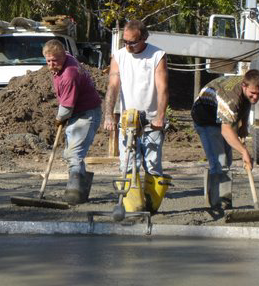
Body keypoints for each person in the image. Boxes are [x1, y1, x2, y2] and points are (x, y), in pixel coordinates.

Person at [104, 20, 171, 214]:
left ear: (143, 38)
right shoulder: (119, 56)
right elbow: (113, 86)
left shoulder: (157, 55)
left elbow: (162, 88)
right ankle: (134, 207)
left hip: (151, 121)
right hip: (127, 119)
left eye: (132, 42)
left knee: (152, 164)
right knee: (127, 163)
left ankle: (151, 206)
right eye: (125, 41)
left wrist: (160, 116)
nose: (127, 46)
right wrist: (109, 115)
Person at [191, 69, 259, 209]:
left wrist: (243, 125)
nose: (255, 97)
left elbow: (246, 102)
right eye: (253, 93)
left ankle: (215, 195)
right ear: (244, 86)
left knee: (227, 161)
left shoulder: (246, 87)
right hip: (205, 117)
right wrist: (244, 152)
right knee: (220, 161)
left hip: (221, 116)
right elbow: (226, 130)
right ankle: (218, 202)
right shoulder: (231, 98)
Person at [43, 39, 102, 205]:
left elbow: (67, 107)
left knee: (74, 154)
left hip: (86, 113)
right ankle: (80, 191)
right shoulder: (64, 60)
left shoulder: (70, 74)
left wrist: (58, 119)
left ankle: (74, 193)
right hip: (78, 111)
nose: (51, 64)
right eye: (48, 61)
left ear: (63, 56)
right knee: (71, 154)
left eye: (55, 60)